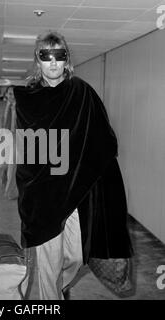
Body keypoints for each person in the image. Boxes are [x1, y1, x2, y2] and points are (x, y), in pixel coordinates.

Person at [13, 31, 133, 300]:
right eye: (46, 56)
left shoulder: (81, 92)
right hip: (44, 195)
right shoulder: (28, 99)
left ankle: (60, 286)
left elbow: (104, 140)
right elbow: (26, 152)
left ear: (67, 60)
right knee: (47, 266)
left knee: (77, 257)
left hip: (76, 194)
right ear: (38, 60)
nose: (53, 62)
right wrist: (28, 193)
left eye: (59, 55)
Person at [0, 86, 18, 199]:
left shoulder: (20, 107)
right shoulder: (3, 106)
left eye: (13, 94)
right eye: (9, 94)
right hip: (5, 137)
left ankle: (10, 192)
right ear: (6, 94)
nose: (11, 96)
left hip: (16, 138)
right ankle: (6, 185)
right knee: (3, 166)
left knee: (12, 167)